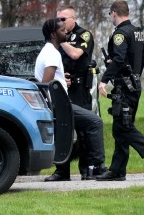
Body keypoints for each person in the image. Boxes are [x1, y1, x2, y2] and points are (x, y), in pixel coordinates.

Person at [96, 0, 144, 181]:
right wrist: (133, 77)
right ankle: (117, 170)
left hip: (124, 88)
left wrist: (104, 80)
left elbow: (119, 60)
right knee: (119, 129)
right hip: (134, 86)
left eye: (110, 14)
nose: (111, 17)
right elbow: (141, 60)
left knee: (124, 127)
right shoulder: (137, 33)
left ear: (114, 13)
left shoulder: (120, 34)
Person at [35, 17, 105, 182]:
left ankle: (62, 172)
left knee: (64, 133)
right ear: (53, 34)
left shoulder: (47, 51)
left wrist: (61, 80)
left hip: (57, 103)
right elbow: (47, 83)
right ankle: (99, 168)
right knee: (95, 122)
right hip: (59, 104)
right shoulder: (52, 53)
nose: (66, 31)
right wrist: (57, 103)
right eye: (61, 30)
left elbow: (48, 80)